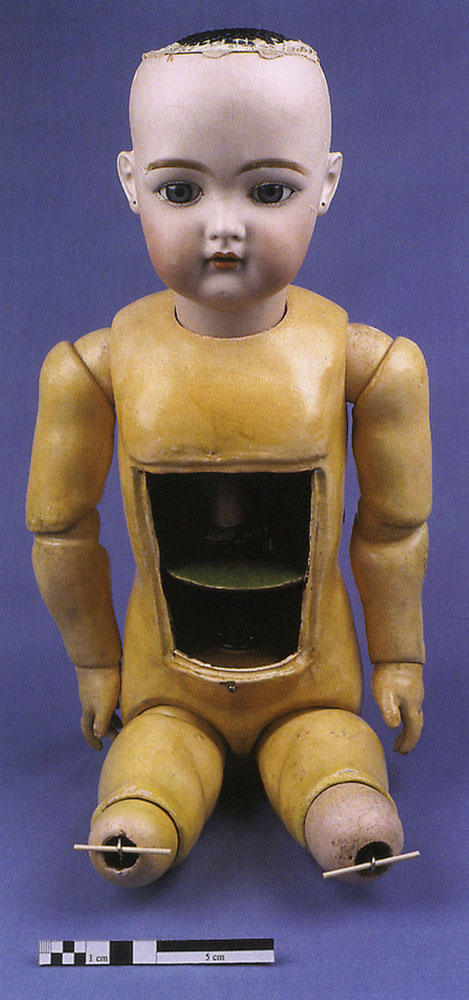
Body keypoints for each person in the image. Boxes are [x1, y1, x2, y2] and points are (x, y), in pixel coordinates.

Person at [26, 28, 431, 886]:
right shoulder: (93, 369)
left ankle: (335, 791)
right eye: (179, 190)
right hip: (164, 687)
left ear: (325, 184)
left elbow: (393, 528)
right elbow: (61, 531)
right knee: (149, 776)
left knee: (336, 765)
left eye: (268, 189)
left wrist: (397, 655)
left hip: (315, 682)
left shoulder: (367, 364)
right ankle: (148, 802)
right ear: (130, 184)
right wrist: (98, 662)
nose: (222, 228)